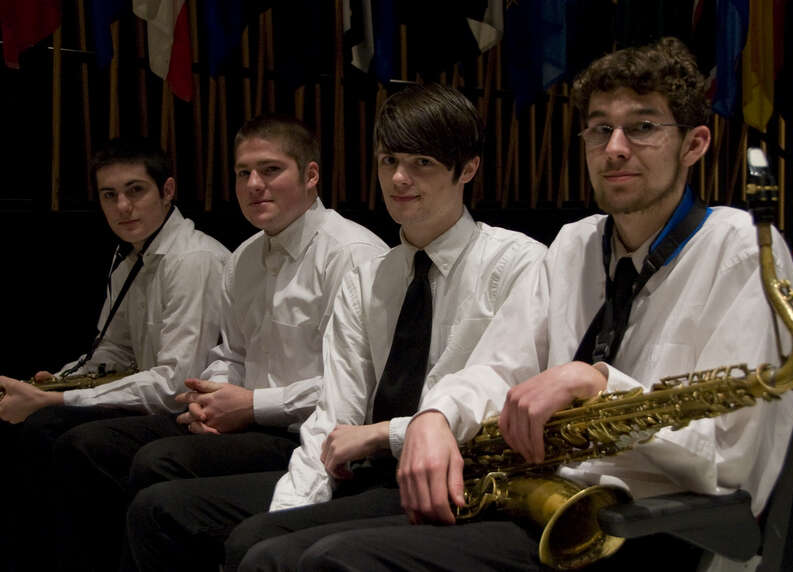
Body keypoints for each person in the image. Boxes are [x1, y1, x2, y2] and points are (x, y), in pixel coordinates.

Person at [236, 38, 793, 572]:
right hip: (539, 499)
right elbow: (497, 365)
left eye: (643, 127)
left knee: (329, 562)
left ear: (695, 143)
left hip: (647, 527)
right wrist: (437, 415)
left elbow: (734, 459)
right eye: (600, 129)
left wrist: (603, 386)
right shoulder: (577, 244)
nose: (616, 148)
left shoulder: (743, 250)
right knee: (267, 552)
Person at [123, 83, 547, 572]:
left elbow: (503, 407)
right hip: (370, 473)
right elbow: (333, 415)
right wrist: (295, 506)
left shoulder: (517, 263)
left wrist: (382, 434)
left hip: (464, 479)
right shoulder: (371, 279)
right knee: (199, 522)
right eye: (388, 161)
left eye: (422, 163)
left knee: (276, 554)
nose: (400, 178)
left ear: (467, 168)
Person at [47, 115, 387, 572]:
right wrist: (211, 397)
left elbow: (356, 391)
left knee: (158, 468)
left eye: (270, 170)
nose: (254, 185)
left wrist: (250, 404)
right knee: (83, 442)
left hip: (313, 433)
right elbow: (232, 354)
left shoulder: (351, 254)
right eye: (243, 173)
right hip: (252, 422)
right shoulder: (245, 257)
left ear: (310, 176)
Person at [0, 137, 230, 572]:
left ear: (167, 191)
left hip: (193, 412)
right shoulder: (130, 259)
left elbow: (174, 383)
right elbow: (114, 349)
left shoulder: (193, 259)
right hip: (154, 401)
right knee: (36, 420)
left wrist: (57, 400)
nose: (122, 206)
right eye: (110, 195)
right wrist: (62, 380)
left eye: (135, 190)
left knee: (61, 433)